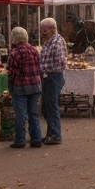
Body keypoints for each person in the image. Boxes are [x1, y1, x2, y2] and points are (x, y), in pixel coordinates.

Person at [6, 26, 42, 149]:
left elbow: (11, 72)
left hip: (21, 86)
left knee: (20, 115)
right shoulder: (34, 50)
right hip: (35, 85)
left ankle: (20, 140)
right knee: (33, 113)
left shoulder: (15, 53)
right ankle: (36, 138)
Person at [38, 17, 66, 145]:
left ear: (53, 29)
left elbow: (59, 62)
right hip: (47, 76)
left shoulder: (57, 41)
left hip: (53, 76)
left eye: (45, 31)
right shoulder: (49, 41)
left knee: (52, 105)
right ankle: (50, 133)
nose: (43, 34)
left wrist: (44, 69)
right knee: (47, 106)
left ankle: (55, 135)